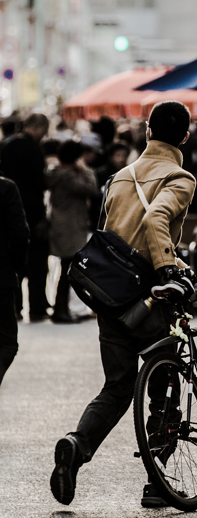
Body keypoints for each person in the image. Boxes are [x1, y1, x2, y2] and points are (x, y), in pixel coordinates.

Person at [50, 100, 197, 509]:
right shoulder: (180, 178)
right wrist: (169, 269)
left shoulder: (119, 177)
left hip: (110, 297)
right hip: (150, 300)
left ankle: (76, 445)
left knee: (117, 387)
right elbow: (154, 223)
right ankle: (157, 481)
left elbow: (113, 235)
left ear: (147, 131)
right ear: (185, 137)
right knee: (165, 386)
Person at [1, 113, 51, 321]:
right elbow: (40, 182)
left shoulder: (6, 145)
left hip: (8, 211)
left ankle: (16, 306)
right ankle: (37, 306)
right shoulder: (32, 149)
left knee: (15, 261)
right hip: (31, 211)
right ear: (37, 127)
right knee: (38, 263)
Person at [47, 141, 99, 324]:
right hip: (69, 227)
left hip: (65, 226)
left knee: (66, 267)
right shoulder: (67, 176)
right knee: (68, 268)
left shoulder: (58, 173)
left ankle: (61, 308)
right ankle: (60, 310)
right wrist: (86, 169)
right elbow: (91, 189)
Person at [0, 169, 29, 387]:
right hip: (1, 275)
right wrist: (16, 267)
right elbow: (20, 233)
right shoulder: (6, 188)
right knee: (7, 341)